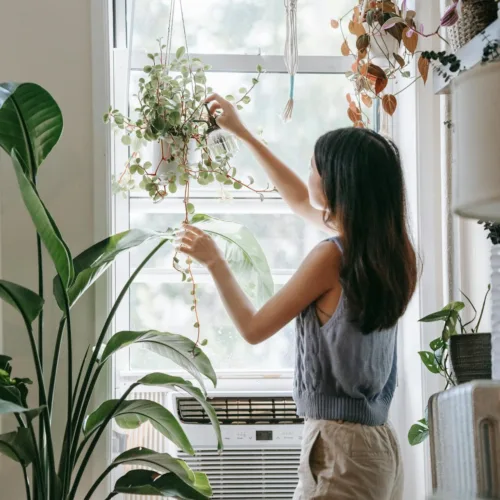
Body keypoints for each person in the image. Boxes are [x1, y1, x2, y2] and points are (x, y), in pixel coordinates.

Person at [175, 94, 418, 500]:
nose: (308, 175)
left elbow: (254, 328)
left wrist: (215, 261)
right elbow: (298, 201)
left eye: (313, 167)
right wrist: (243, 134)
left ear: (339, 183)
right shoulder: (395, 253)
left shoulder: (331, 257)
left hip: (341, 451)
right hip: (379, 448)